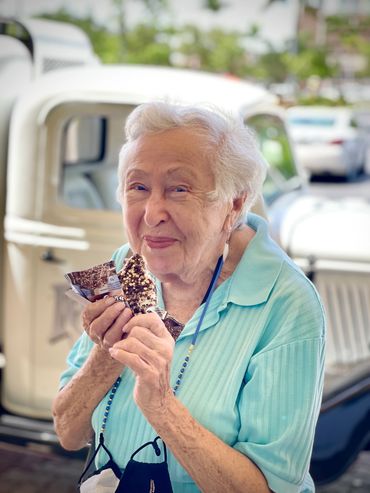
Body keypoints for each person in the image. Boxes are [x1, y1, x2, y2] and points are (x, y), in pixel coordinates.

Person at [52, 101, 326, 493]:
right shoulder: (128, 266)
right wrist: (104, 356)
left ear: (233, 203)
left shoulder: (285, 303)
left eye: (179, 189)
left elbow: (270, 488)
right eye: (138, 187)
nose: (152, 213)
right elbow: (67, 431)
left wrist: (162, 406)